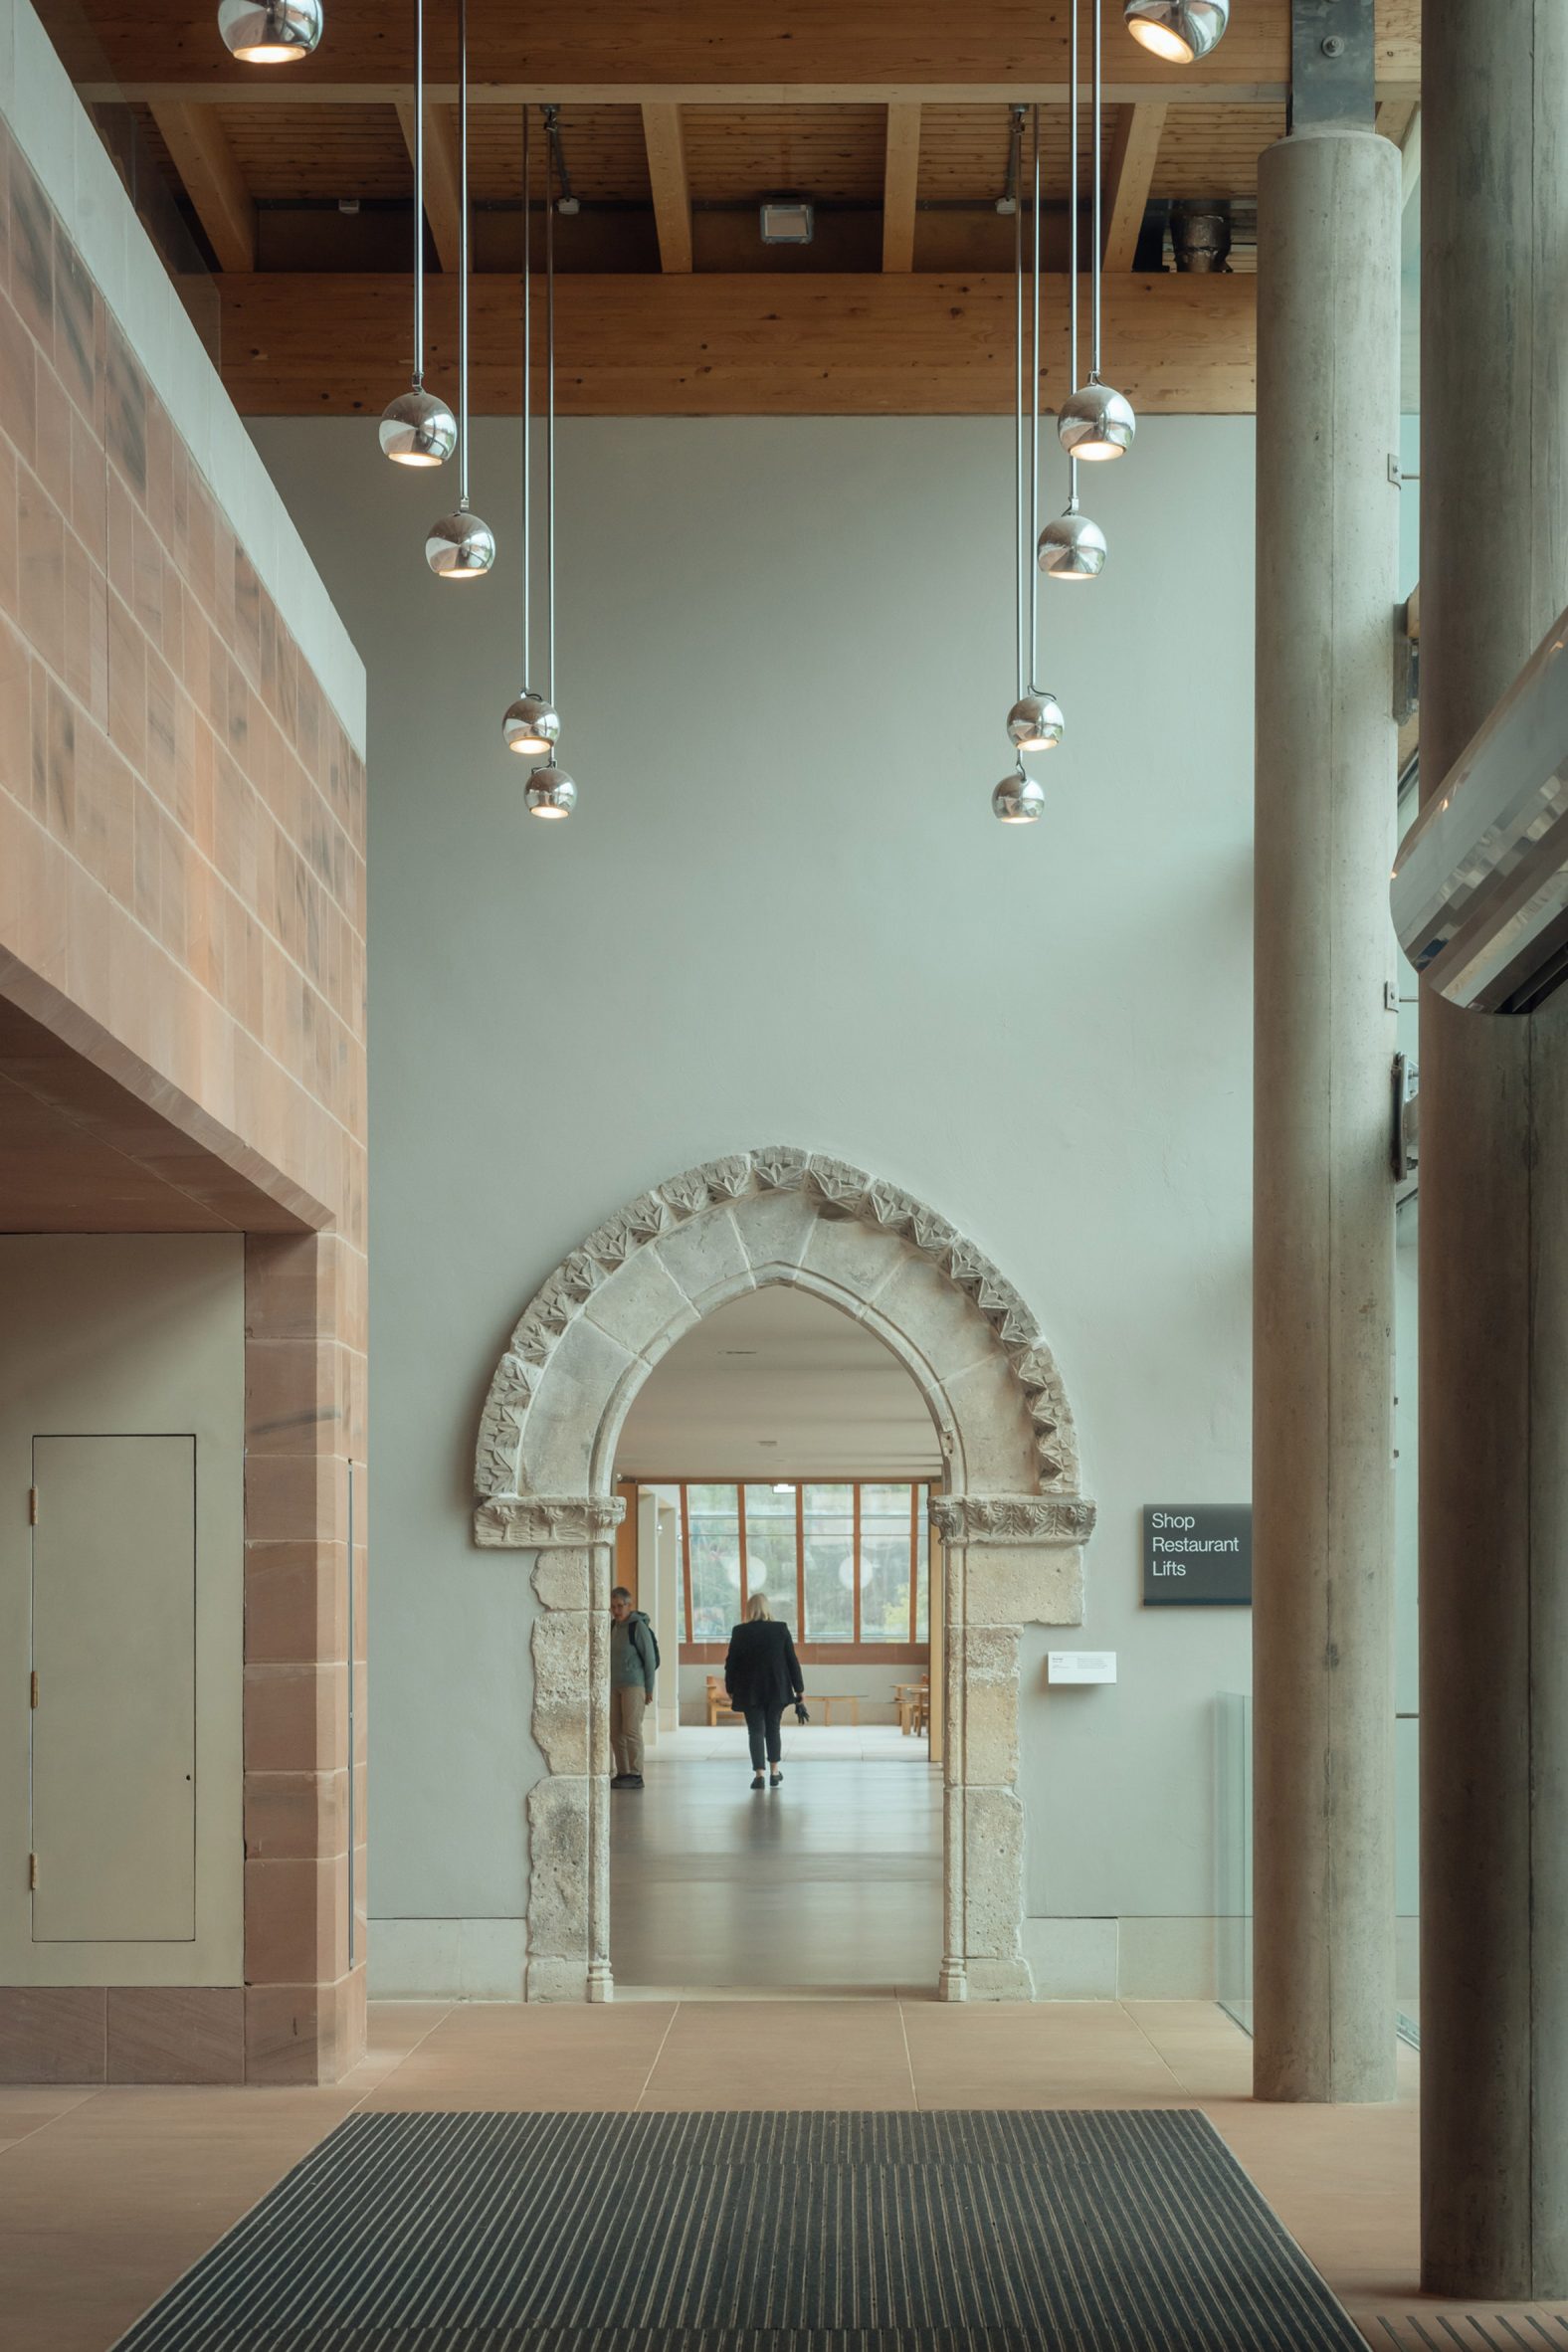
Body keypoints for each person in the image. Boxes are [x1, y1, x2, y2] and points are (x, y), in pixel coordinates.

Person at [723, 1591, 805, 1790]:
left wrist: (730, 1688)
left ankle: (759, 1775)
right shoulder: (780, 1629)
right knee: (773, 1728)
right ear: (767, 1608)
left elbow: (731, 1663)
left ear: (749, 1610)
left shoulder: (740, 1631)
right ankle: (774, 1772)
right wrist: (799, 1689)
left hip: (749, 1689)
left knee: (755, 1731)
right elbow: (791, 1661)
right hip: (777, 1688)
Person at [609, 1585, 657, 1790]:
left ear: (629, 1605)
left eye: (620, 1606)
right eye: (613, 1607)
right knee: (615, 1731)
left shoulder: (637, 1627)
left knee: (631, 1730)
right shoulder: (612, 1627)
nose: (616, 1610)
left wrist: (648, 1689)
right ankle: (623, 1772)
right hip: (613, 1686)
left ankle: (636, 1774)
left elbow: (650, 1659)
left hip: (634, 1686)